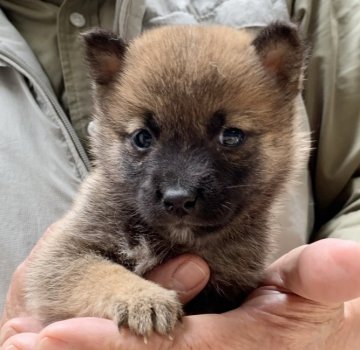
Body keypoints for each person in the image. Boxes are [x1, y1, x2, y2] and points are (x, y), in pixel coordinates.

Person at [0, 0, 359, 349]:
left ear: (280, 74)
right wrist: (123, 293)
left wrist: (338, 323)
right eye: (143, 139)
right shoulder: (107, 206)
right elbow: (59, 269)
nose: (178, 190)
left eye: (230, 137)